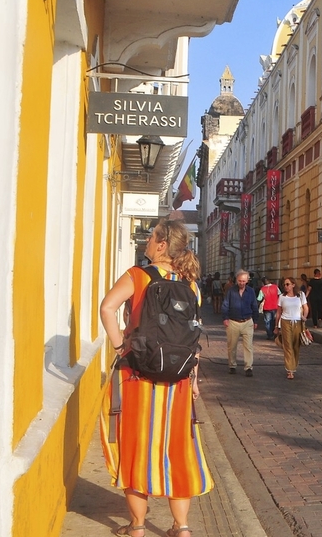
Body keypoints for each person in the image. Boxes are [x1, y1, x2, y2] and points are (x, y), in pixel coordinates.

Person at [98, 220, 211, 537]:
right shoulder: (191, 286)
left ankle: (137, 527)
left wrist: (121, 346)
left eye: (151, 238)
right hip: (178, 383)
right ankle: (182, 527)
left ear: (161, 245)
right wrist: (195, 380)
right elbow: (193, 340)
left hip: (138, 377)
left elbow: (108, 308)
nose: (147, 242)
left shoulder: (139, 276)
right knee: (177, 448)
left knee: (137, 446)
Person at [223, 269, 259, 376]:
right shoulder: (231, 291)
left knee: (248, 346)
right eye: (239, 281)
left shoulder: (251, 291)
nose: (241, 283)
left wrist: (256, 320)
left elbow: (254, 306)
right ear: (236, 280)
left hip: (247, 321)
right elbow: (225, 304)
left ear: (247, 280)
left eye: (243, 281)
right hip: (233, 321)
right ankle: (232, 365)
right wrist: (225, 318)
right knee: (232, 346)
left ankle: (248, 367)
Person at [277, 276, 309, 379]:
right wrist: (276, 326)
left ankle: (293, 366)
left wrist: (304, 316)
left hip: (298, 322)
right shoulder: (282, 297)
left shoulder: (300, 295)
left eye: (287, 284)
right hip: (285, 322)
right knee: (288, 346)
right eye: (284, 285)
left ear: (293, 285)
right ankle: (290, 370)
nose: (285, 286)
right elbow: (278, 312)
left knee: (296, 345)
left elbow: (305, 308)